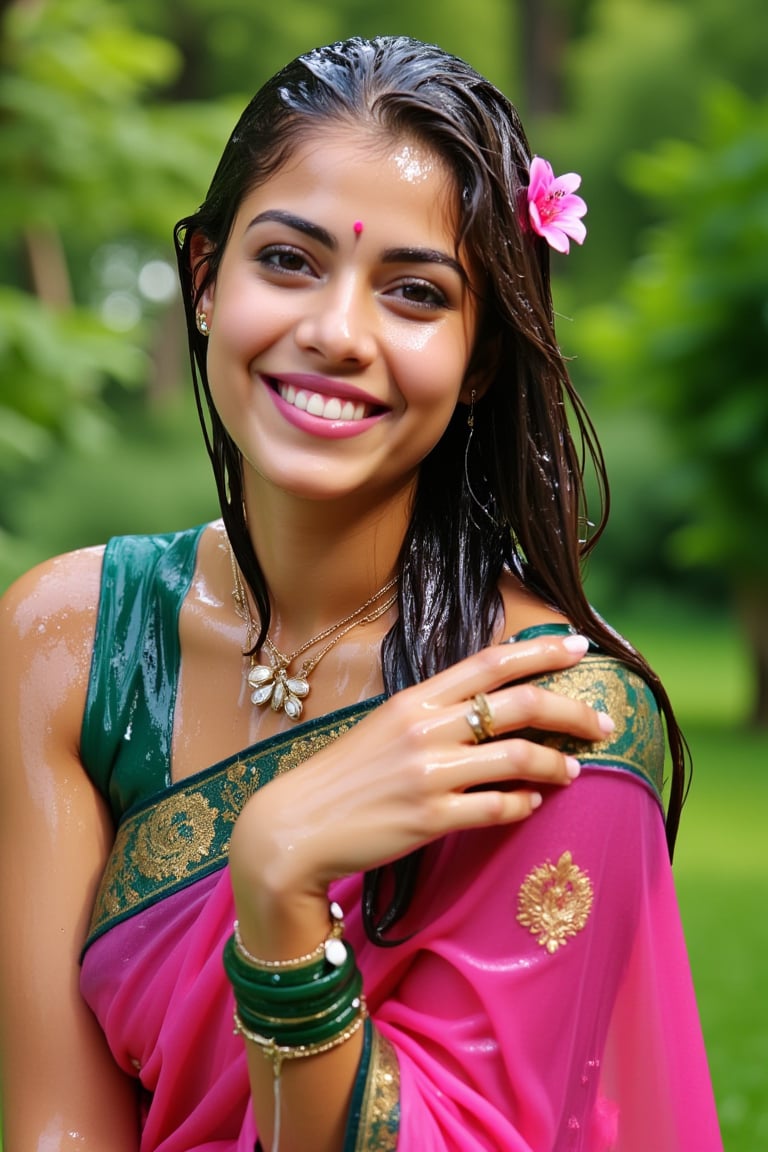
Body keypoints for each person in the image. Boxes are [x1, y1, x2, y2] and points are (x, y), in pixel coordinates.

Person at [0, 34, 722, 1152]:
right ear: (202, 279)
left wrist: (281, 892)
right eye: (288, 261)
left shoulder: (551, 718)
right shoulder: (66, 642)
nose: (336, 334)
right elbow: (58, 1129)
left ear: (480, 357)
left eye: (416, 292)